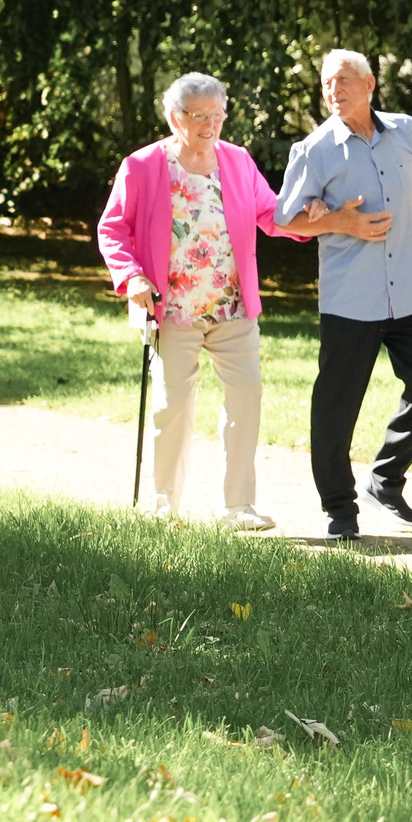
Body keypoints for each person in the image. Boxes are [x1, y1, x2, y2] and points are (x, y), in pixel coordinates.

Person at [95, 73, 326, 528]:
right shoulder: (143, 166)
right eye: (199, 116)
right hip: (172, 308)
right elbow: (113, 228)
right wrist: (132, 276)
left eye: (217, 115)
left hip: (232, 304)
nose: (210, 125)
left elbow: (269, 212)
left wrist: (307, 215)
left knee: (246, 397)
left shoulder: (237, 160)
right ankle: (164, 506)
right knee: (173, 405)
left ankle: (237, 506)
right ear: (174, 117)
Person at [274, 48, 412, 540]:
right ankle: (339, 507)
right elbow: (285, 219)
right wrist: (340, 221)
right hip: (351, 300)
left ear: (370, 83)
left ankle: (386, 480)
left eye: (343, 80)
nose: (333, 90)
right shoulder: (314, 150)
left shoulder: (408, 131)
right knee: (337, 405)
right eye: (326, 83)